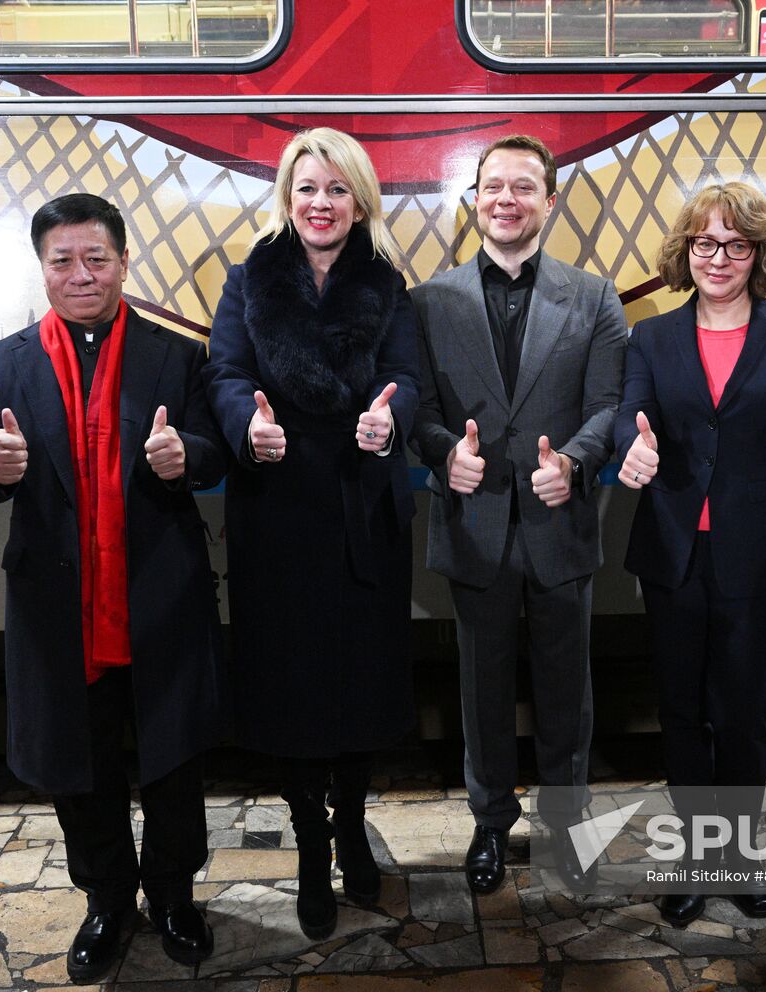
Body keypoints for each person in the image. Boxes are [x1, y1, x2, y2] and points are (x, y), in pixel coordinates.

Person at [0, 194, 225, 983]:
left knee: (175, 763)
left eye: (96, 259)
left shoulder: (176, 356)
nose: (81, 274)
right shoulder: (1, 364)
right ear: (41, 268)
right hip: (58, 610)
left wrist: (190, 457)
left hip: (159, 598)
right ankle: (107, 900)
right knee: (82, 766)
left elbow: (212, 450)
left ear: (124, 262)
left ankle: (175, 897)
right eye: (63, 261)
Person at [203, 127, 419, 941]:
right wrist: (243, 426)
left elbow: (411, 383)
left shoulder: (389, 285)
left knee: (360, 689)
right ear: (286, 202)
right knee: (291, 694)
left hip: (364, 514)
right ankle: (307, 849)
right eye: (306, 190)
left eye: (336, 190)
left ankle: (353, 828)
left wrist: (387, 419)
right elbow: (225, 374)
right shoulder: (247, 283)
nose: (321, 204)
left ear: (358, 200)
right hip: (279, 512)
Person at [411, 134, 627, 893]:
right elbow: (421, 411)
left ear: (549, 200)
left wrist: (573, 461)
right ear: (473, 201)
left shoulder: (595, 297)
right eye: (492, 186)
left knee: (570, 689)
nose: (506, 199)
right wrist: (444, 455)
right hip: (475, 530)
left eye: (523, 187)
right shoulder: (428, 301)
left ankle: (568, 826)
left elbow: (609, 406)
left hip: (559, 526)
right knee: (483, 689)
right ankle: (490, 825)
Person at [613, 182, 766, 926]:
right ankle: (693, 858)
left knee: (741, 714)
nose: (719, 258)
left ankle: (735, 857)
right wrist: (633, 446)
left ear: (759, 255)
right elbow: (628, 417)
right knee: (679, 712)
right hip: (675, 553)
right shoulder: (652, 337)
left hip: (764, 559)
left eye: (737, 245)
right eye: (704, 243)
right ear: (685, 251)